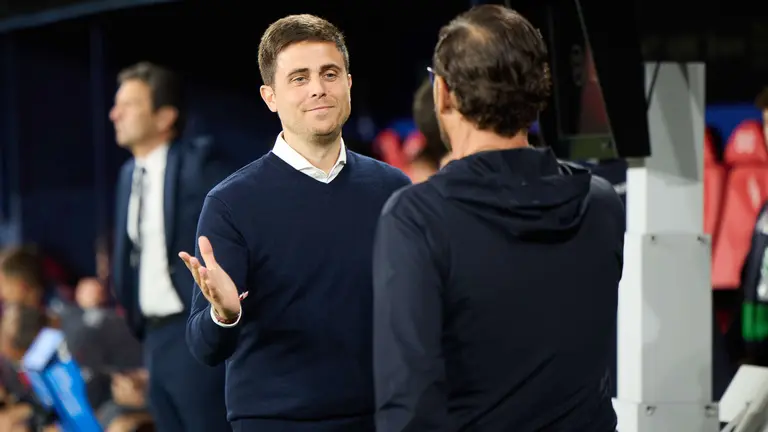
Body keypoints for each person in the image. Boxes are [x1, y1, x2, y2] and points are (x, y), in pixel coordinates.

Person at [372, 5, 624, 431]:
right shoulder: (601, 204)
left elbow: (410, 409)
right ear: (539, 89)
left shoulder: (416, 219)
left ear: (442, 93)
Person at [180, 14, 410, 431]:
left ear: (349, 83)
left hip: (382, 416)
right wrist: (224, 315)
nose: (318, 88)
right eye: (299, 78)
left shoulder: (393, 188)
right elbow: (203, 347)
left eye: (329, 74)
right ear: (270, 96)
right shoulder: (231, 203)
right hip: (276, 420)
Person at [109, 61, 231, 432]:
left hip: (191, 330)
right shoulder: (127, 174)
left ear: (164, 117)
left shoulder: (198, 164)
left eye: (129, 105)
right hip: (153, 337)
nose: (115, 114)